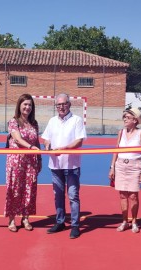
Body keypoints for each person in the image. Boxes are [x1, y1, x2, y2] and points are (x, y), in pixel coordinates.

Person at [41, 93, 87, 239]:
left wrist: (64, 149)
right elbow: (45, 138)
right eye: (58, 105)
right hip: (55, 165)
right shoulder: (52, 121)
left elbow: (79, 141)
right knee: (58, 195)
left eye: (64, 104)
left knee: (73, 196)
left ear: (69, 104)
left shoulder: (77, 120)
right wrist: (47, 145)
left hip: (72, 165)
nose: (61, 107)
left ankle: (75, 225)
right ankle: (60, 221)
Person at [5, 94, 42, 232]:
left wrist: (39, 159)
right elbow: (18, 139)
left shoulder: (34, 123)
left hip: (31, 162)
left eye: (30, 105)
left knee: (29, 189)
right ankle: (11, 219)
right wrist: (31, 147)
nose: (27, 107)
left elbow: (37, 141)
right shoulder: (13, 122)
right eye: (25, 104)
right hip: (16, 161)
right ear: (19, 106)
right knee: (14, 188)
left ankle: (25, 218)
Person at [108, 107, 141, 233]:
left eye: (128, 117)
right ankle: (125, 221)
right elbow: (116, 150)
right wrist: (112, 167)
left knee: (133, 196)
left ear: (135, 120)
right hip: (120, 165)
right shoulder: (121, 132)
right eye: (124, 117)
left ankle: (134, 221)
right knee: (122, 195)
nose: (125, 119)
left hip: (135, 166)